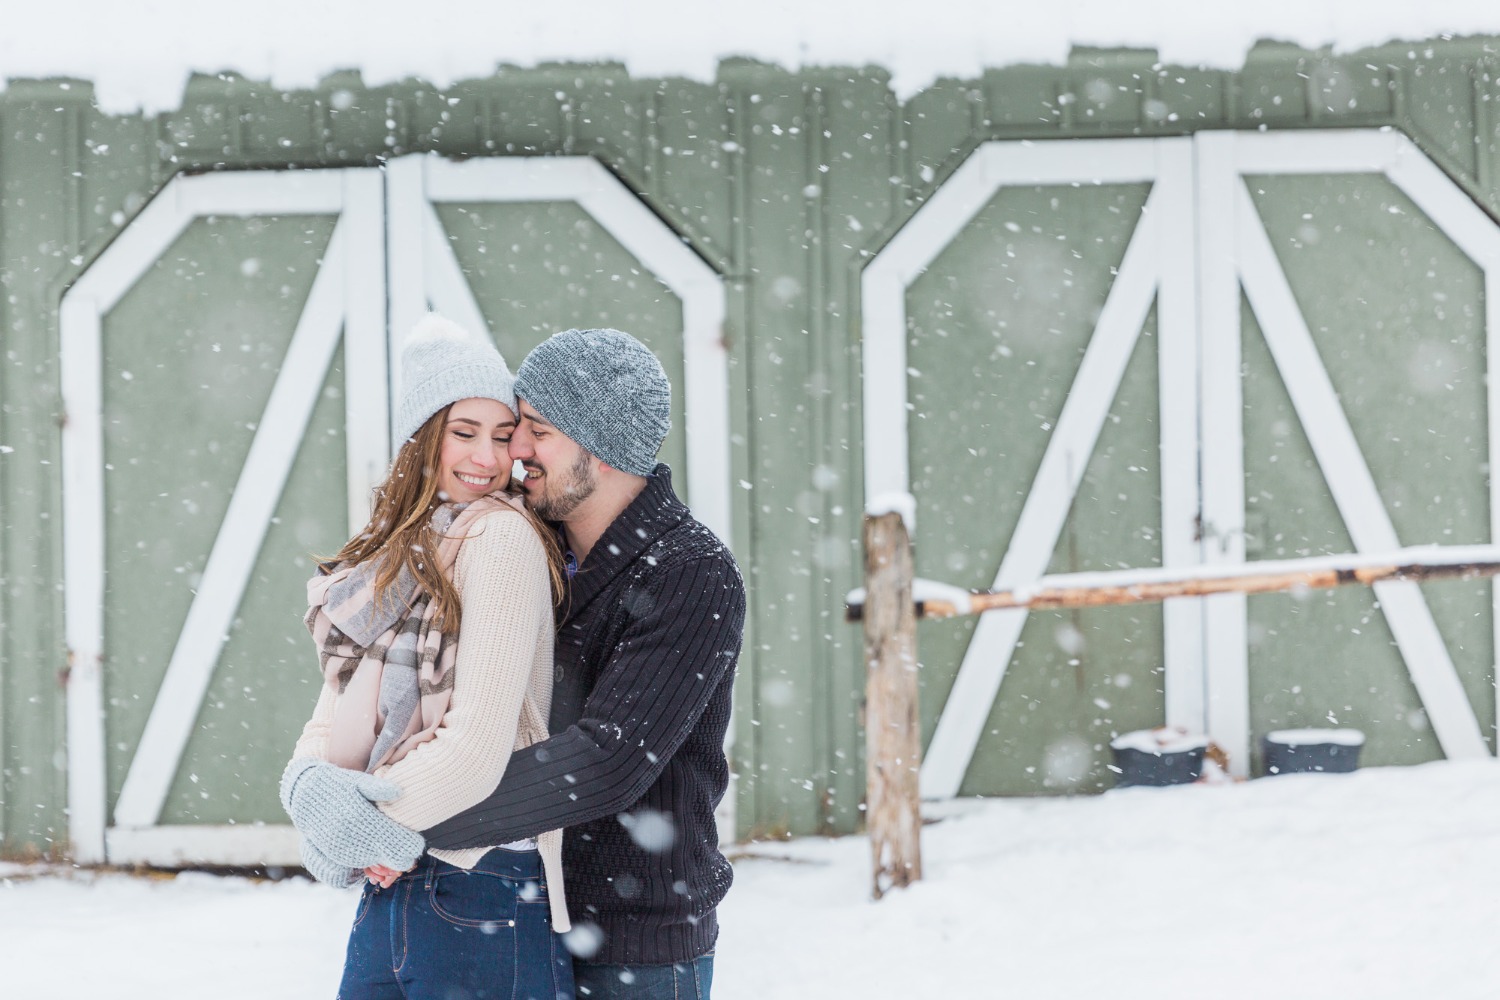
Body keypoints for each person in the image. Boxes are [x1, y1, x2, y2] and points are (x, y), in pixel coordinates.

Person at [287, 327, 746, 1000]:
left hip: (636, 940)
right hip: (530, 908)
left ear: (604, 449)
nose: (515, 451)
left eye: (536, 430)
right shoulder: (530, 538)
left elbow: (604, 761)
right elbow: (390, 674)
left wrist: (395, 821)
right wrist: (318, 788)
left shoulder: (689, 571)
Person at [280, 314, 574, 1000]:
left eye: (503, 437)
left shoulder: (500, 538)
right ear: (423, 440)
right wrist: (312, 795)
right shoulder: (404, 555)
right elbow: (336, 705)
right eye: (462, 433)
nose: (486, 457)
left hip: (482, 879)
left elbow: (477, 747)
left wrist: (370, 827)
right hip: (402, 878)